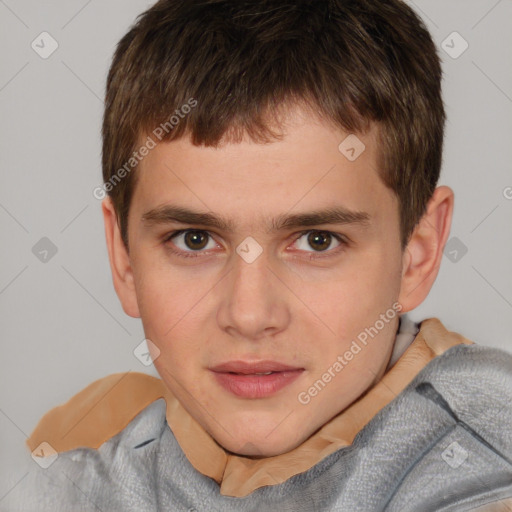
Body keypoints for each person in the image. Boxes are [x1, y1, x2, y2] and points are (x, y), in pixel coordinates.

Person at [3, 0, 511, 510]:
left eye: (317, 241)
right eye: (194, 239)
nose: (249, 315)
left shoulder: (486, 466)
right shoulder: (75, 451)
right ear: (124, 258)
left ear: (416, 255)